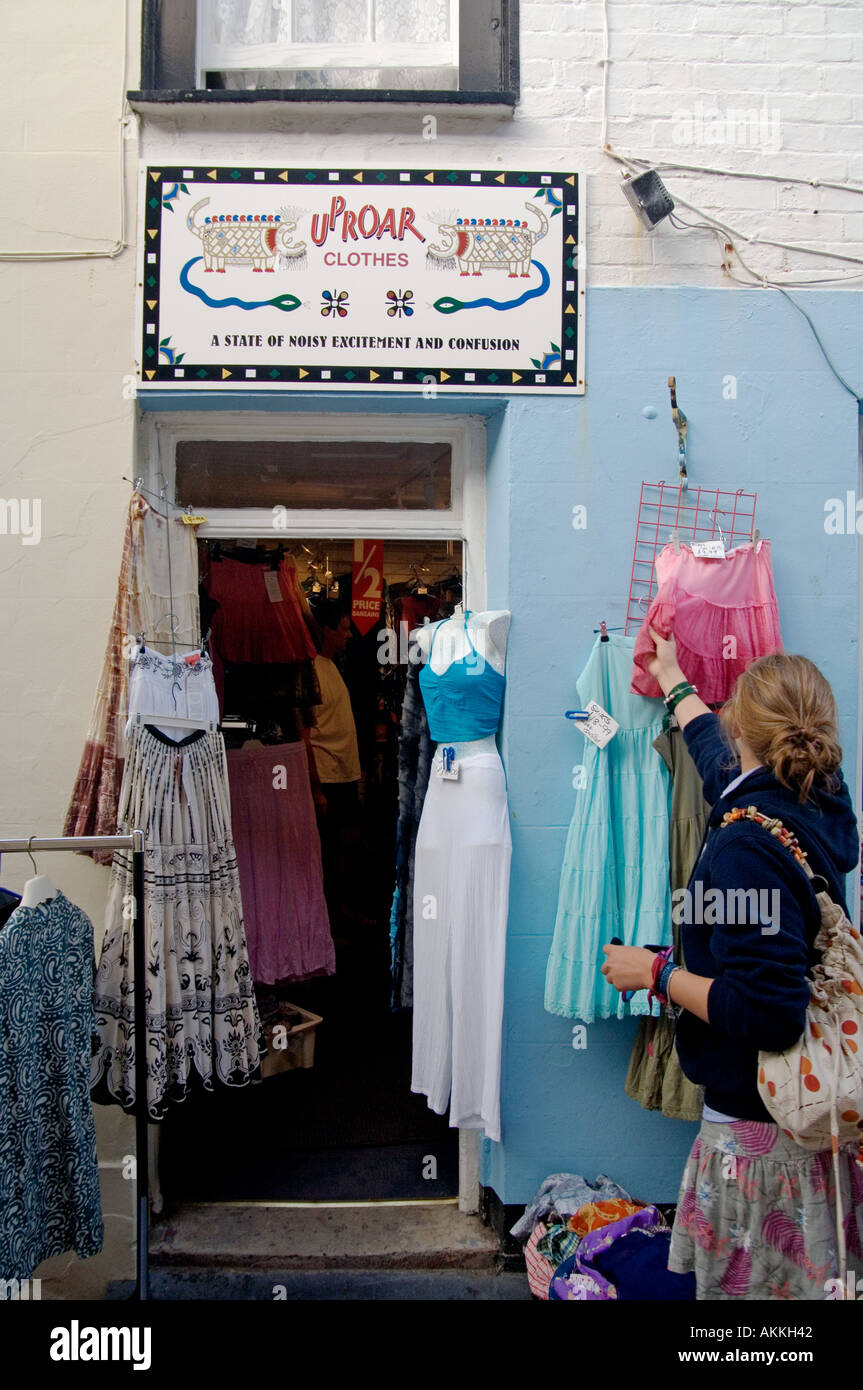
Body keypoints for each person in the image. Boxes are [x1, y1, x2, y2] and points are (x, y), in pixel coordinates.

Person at [602, 628, 862, 1300]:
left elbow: (765, 1013)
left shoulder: (745, 848)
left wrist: (654, 973)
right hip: (808, 1120)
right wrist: (672, 679)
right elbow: (724, 767)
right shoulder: (817, 800)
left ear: (740, 725)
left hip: (758, 1136)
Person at [308, 600, 363, 930]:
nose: (348, 635)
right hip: (327, 778)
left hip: (343, 775)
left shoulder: (331, 667)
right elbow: (307, 737)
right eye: (343, 628)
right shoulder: (313, 670)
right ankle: (329, 924)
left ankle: (342, 915)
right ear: (327, 630)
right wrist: (316, 789)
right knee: (330, 853)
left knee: (347, 848)